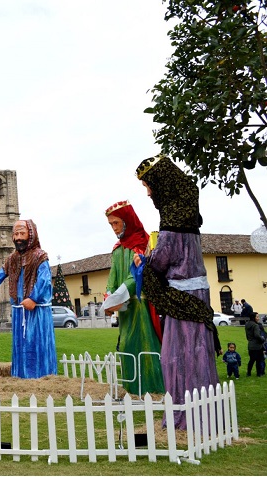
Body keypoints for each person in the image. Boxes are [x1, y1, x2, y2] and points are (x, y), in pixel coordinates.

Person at [134, 153, 220, 430]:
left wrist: (144, 261)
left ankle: (186, 419)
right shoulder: (188, 217)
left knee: (177, 357)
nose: (148, 193)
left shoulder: (171, 225)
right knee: (198, 353)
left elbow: (160, 263)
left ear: (161, 184)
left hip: (181, 298)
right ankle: (207, 414)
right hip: (198, 294)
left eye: (149, 186)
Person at [0, 219, 57, 379]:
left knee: (37, 344)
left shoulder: (40, 257)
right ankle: (22, 376)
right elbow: (2, 272)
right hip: (20, 311)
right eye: (16, 234)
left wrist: (33, 298)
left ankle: (42, 376)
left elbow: (44, 281)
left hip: (37, 310)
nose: (18, 237)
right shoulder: (12, 258)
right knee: (21, 346)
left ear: (31, 235)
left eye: (22, 233)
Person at [102, 200, 164, 395]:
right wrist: (108, 296)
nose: (113, 228)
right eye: (111, 224)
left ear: (127, 221)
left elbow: (135, 276)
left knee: (143, 345)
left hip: (140, 304)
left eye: (116, 223)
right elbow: (113, 276)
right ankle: (131, 387)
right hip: (124, 308)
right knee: (127, 344)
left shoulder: (141, 243)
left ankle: (151, 389)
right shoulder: (117, 248)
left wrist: (118, 296)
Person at [245, 312, 266, 377]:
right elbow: (257, 335)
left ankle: (248, 372)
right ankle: (259, 373)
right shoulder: (255, 325)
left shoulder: (247, 324)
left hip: (250, 344)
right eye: (257, 317)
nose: (258, 318)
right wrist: (262, 339)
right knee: (259, 360)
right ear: (253, 318)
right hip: (257, 345)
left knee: (252, 360)